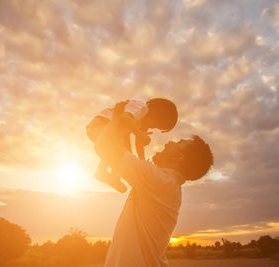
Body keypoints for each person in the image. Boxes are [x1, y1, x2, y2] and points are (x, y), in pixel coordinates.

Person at [94, 102, 213, 267]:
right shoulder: (164, 184)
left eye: (177, 143)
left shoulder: (161, 182)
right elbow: (139, 167)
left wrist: (115, 121)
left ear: (179, 158)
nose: (169, 143)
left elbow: (104, 145)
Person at [87, 98, 178, 193]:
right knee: (116, 147)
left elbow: (139, 144)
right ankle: (105, 172)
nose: (151, 127)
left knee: (123, 152)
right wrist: (139, 133)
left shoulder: (143, 123)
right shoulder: (141, 106)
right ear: (156, 113)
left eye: (155, 127)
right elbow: (126, 117)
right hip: (100, 124)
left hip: (113, 133)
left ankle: (110, 175)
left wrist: (142, 163)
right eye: (155, 124)